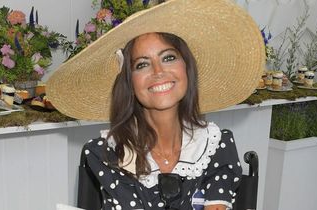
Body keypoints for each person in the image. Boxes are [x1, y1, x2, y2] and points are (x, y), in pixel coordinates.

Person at [47, 0, 265, 209]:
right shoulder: (106, 154)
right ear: (129, 82)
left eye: (168, 57)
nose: (158, 72)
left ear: (187, 68)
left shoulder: (216, 145)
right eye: (142, 64)